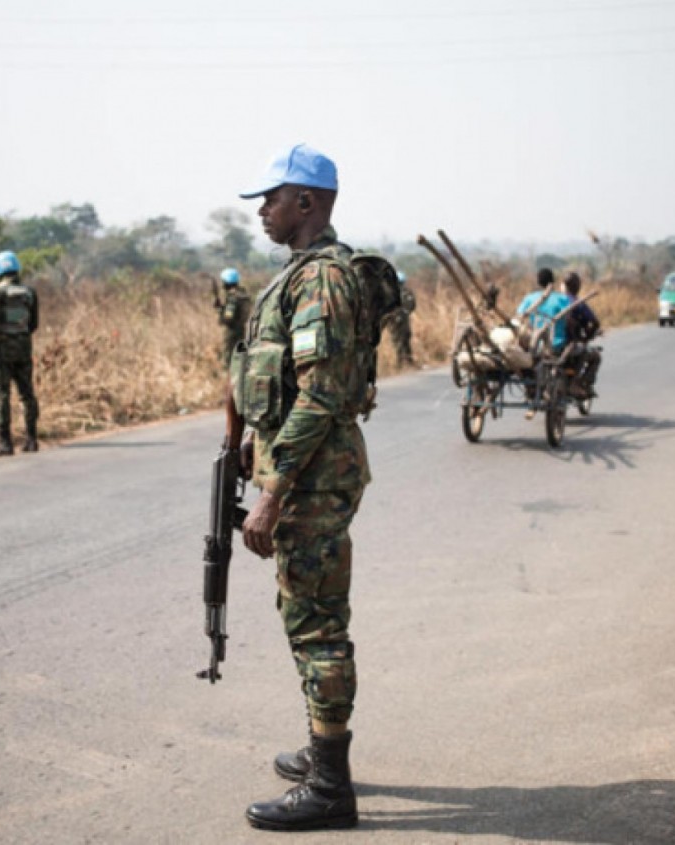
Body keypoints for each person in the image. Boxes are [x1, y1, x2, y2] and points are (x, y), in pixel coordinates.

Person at [231, 143, 370, 831]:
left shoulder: (321, 282)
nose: (262, 210)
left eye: (272, 198)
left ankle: (331, 786)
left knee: (317, 623)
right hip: (305, 472)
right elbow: (288, 385)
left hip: (312, 481)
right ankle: (322, 751)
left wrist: (274, 490)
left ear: (306, 203)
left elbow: (320, 396)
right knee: (303, 611)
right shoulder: (300, 276)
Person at [0, 250, 39, 456]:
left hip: (2, 352)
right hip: (24, 350)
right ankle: (32, 440)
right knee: (27, 395)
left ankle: (5, 443)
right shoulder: (30, 292)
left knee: (3, 396)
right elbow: (34, 324)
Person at [562, 271, 602, 398]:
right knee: (596, 356)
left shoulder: (556, 300)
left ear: (563, 286)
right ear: (578, 287)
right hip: (571, 344)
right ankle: (581, 383)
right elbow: (594, 322)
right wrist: (586, 338)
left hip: (550, 344)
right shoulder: (579, 303)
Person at [516, 268, 572, 355]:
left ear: (538, 282)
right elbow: (568, 319)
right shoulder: (562, 299)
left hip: (533, 344)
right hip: (556, 344)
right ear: (552, 281)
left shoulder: (529, 298)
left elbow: (519, 315)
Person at [216, 267, 249, 367]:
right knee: (240, 354)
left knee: (229, 355)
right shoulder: (242, 294)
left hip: (232, 330)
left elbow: (229, 317)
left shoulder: (232, 297)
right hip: (242, 329)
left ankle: (229, 376)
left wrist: (220, 311)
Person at [387, 271, 417, 367]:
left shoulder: (392, 292)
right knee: (400, 340)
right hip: (397, 319)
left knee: (402, 339)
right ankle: (401, 361)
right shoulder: (393, 292)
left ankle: (405, 360)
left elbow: (412, 305)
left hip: (399, 319)